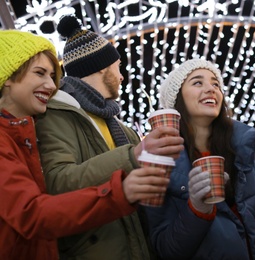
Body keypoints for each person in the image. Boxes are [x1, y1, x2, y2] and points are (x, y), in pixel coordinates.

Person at [0, 30, 171, 259]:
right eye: (40, 73)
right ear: (8, 76)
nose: (51, 85)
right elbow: (36, 210)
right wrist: (123, 187)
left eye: (52, 76)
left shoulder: (24, 133)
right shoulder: (53, 116)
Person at [143, 59, 255, 259]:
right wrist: (197, 210)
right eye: (198, 82)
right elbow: (165, 249)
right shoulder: (157, 163)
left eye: (216, 84)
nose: (211, 89)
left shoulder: (246, 150)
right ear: (177, 100)